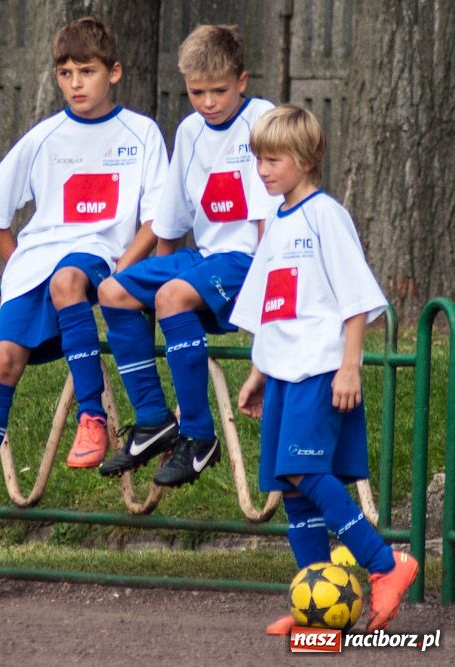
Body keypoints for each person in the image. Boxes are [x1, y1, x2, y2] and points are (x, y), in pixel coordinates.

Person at [0, 16, 169, 531]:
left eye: (87, 70)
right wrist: (16, 261)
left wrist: (125, 267)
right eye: (65, 73)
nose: (76, 83)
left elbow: (155, 218)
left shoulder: (142, 133)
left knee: (67, 281)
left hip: (99, 256)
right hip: (36, 261)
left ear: (115, 72)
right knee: (3, 362)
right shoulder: (44, 137)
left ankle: (93, 418)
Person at [230, 104, 418, 635]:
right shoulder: (278, 224)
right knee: (292, 492)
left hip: (321, 368)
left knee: (305, 472)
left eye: (274, 159)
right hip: (285, 374)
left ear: (306, 159)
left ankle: (386, 565)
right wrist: (259, 372)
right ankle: (315, 600)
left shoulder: (325, 215)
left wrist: (350, 365)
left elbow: (354, 298)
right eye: (258, 159)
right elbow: (276, 308)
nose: (263, 170)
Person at [97, 24, 281, 487]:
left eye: (219, 90)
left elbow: (269, 226)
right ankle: (154, 419)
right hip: (205, 259)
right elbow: (172, 224)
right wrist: (156, 277)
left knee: (174, 296)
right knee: (113, 290)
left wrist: (267, 297)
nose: (208, 102)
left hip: (251, 262)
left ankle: (199, 437)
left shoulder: (263, 121)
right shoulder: (190, 131)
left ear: (242, 81)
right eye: (197, 92)